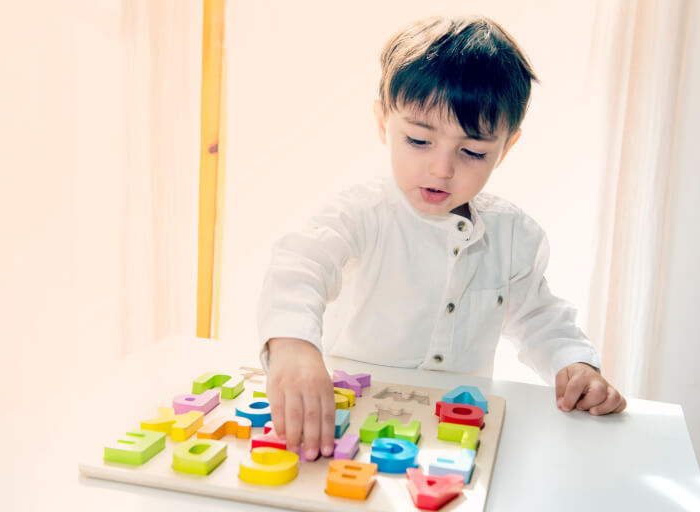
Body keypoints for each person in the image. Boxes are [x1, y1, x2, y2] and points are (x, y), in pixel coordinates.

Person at [257, 15, 626, 461]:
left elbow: (539, 318)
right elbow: (300, 264)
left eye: (472, 152)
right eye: (418, 140)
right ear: (383, 123)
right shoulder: (360, 213)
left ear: (506, 149)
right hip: (344, 423)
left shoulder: (514, 235)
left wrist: (576, 364)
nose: (442, 168)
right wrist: (294, 345)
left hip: (451, 433)